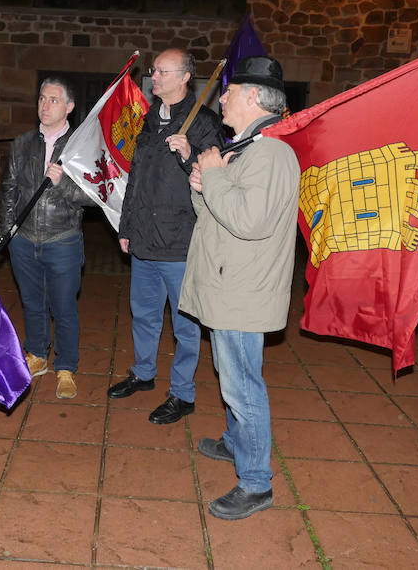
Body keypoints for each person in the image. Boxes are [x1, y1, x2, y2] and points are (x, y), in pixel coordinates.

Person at [179, 56, 299, 520]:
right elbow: (217, 212)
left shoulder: (270, 153)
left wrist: (212, 174)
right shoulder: (248, 148)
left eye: (229, 91)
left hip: (244, 292)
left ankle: (255, 484)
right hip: (231, 287)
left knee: (243, 385)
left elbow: (250, 222)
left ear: (253, 97)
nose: (221, 98)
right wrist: (202, 181)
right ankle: (237, 443)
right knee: (232, 378)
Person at [108, 49, 223, 424]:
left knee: (185, 326)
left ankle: (183, 394)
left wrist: (190, 154)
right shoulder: (148, 122)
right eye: (154, 70)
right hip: (144, 239)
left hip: (181, 243)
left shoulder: (204, 123)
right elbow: (136, 179)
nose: (153, 76)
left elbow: (218, 181)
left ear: (185, 77)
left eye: (161, 71)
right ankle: (143, 373)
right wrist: (127, 228)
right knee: (143, 315)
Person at [0, 77, 93, 400]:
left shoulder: (81, 148)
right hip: (23, 240)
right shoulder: (23, 143)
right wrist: (8, 230)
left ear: (69, 107)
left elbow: (93, 195)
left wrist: (63, 183)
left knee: (64, 307)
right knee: (31, 303)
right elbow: (9, 189)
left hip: (62, 239)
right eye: (41, 98)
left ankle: (66, 367)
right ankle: (37, 354)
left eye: (53, 100)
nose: (45, 105)